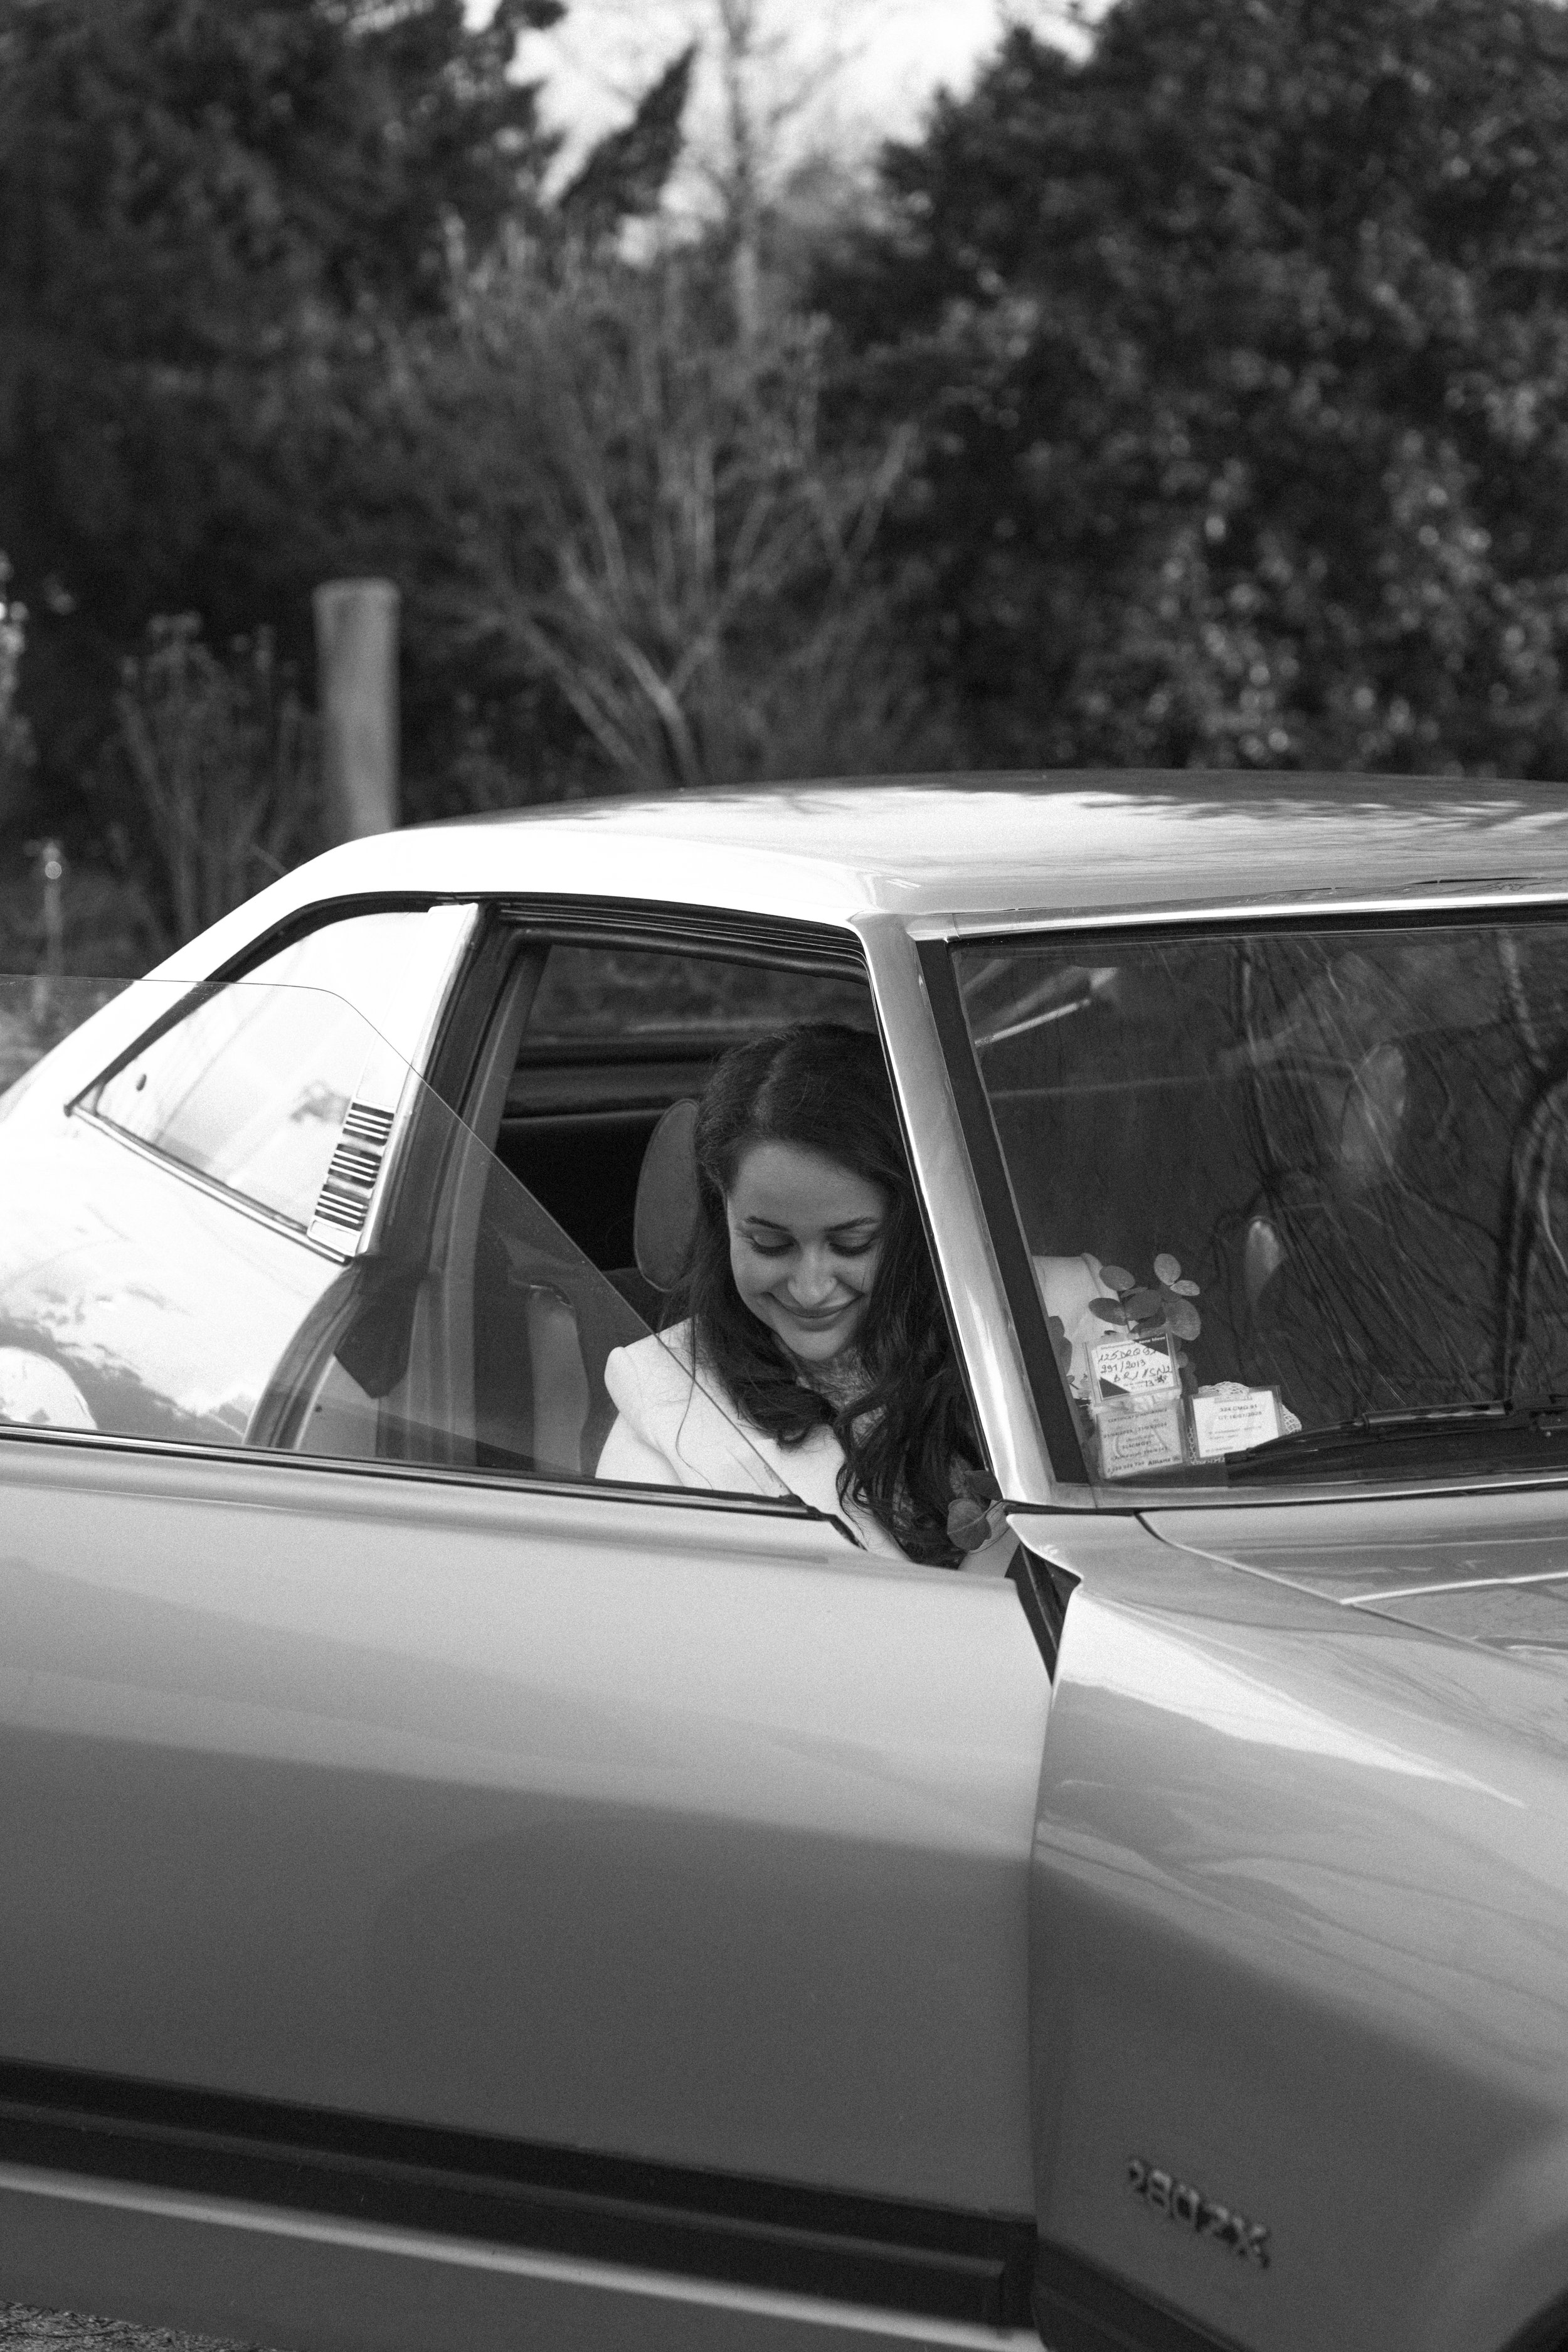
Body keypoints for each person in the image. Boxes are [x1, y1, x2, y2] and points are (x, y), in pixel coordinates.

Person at [596, 1023, 1008, 1569]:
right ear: (723, 1214)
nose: (810, 1288)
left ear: (918, 1219)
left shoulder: (1054, 1318)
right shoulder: (666, 1410)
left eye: (851, 1243)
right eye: (770, 1244)